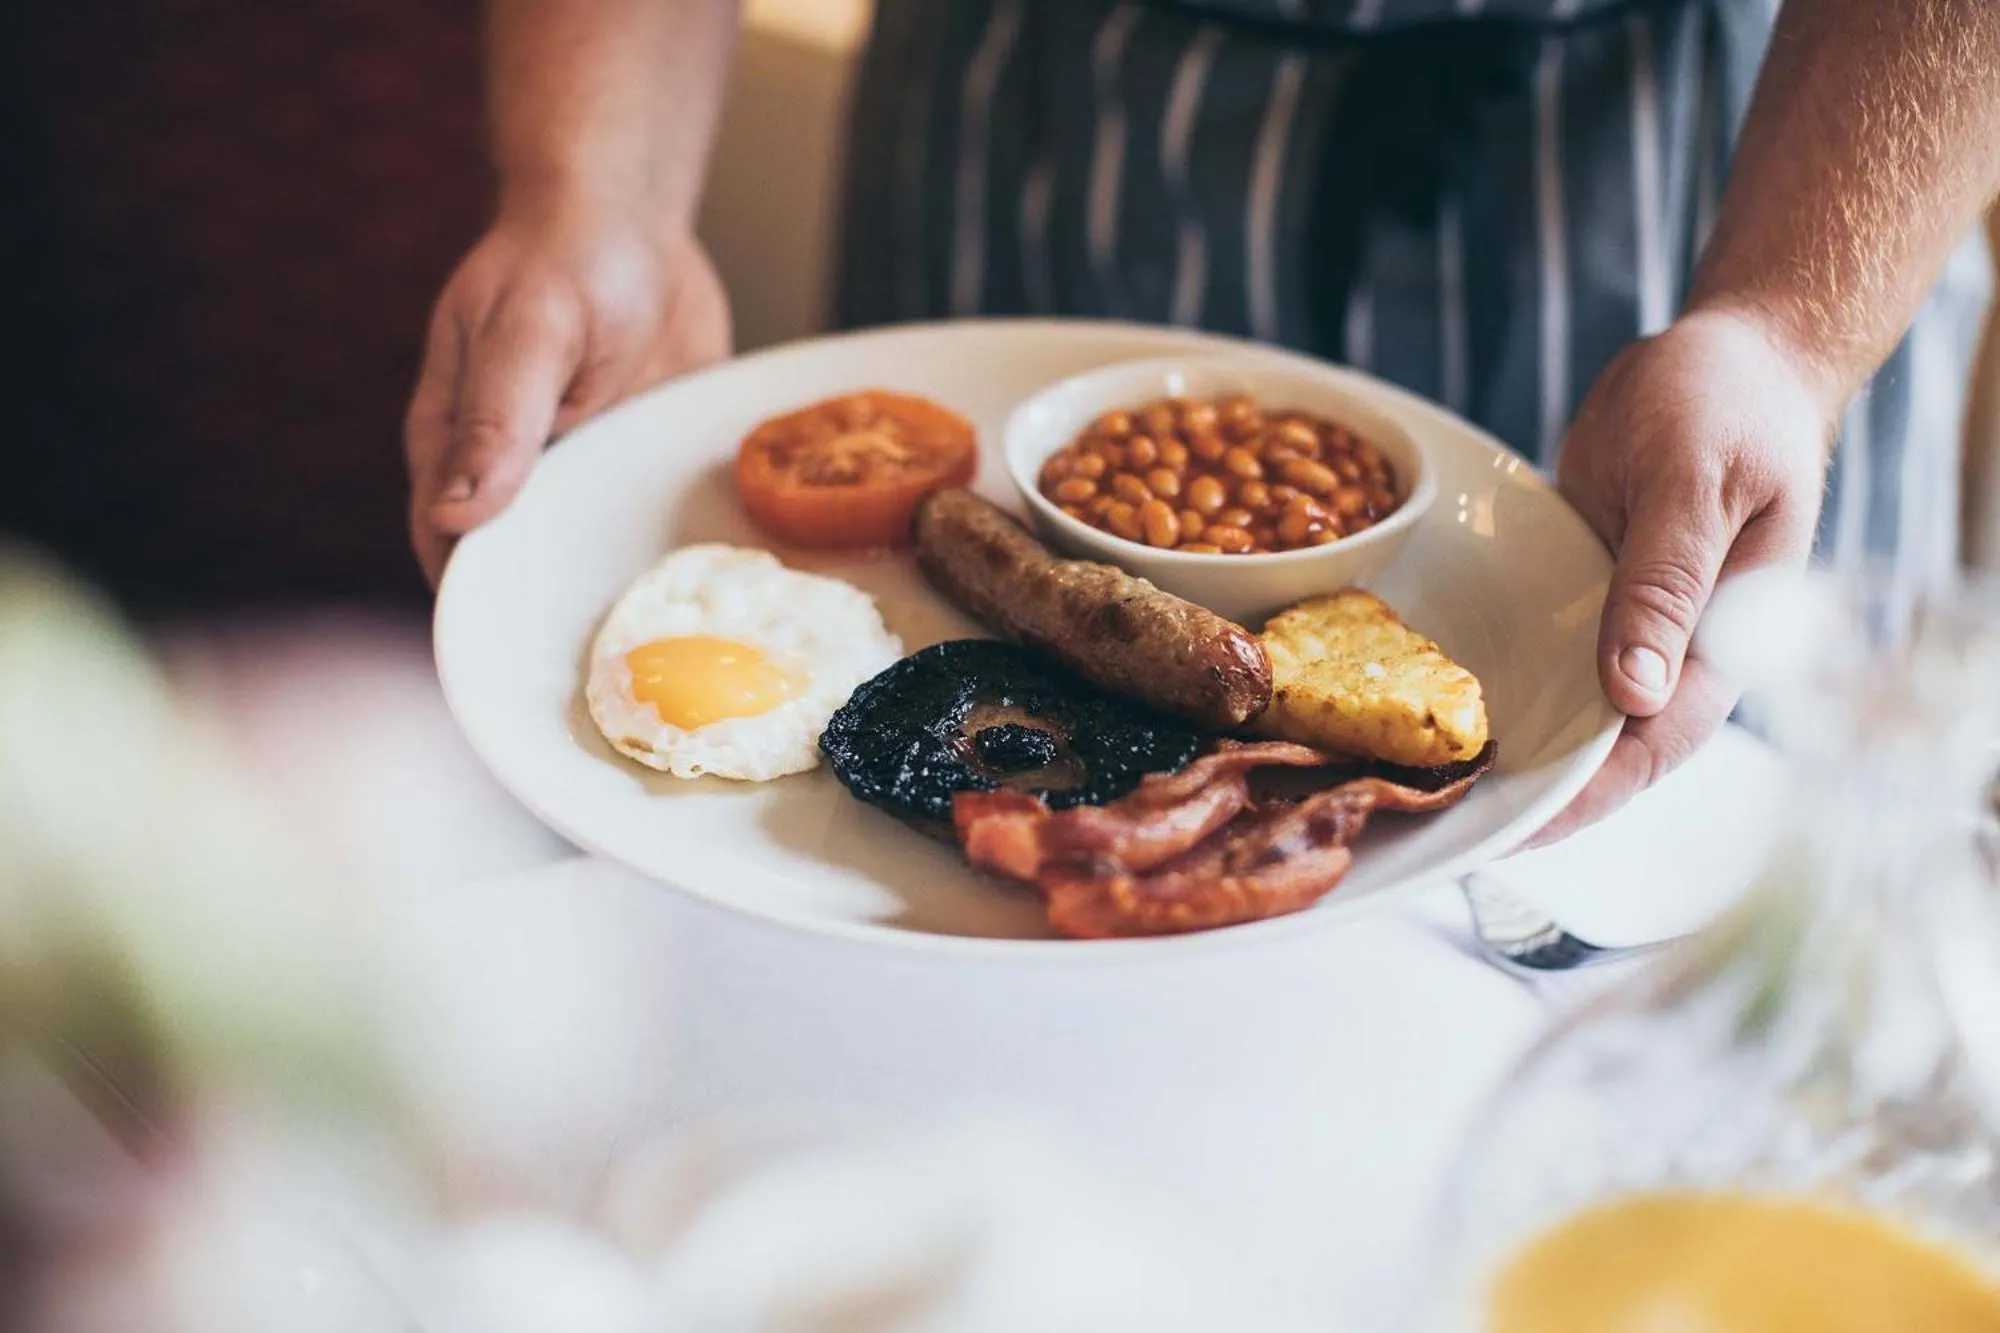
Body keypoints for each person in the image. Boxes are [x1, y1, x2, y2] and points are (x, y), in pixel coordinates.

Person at [405, 0, 2000, 839]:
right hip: (1032, 107)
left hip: (1702, 175)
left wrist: (1789, 327)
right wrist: (590, 187)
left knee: (1699, 1000)